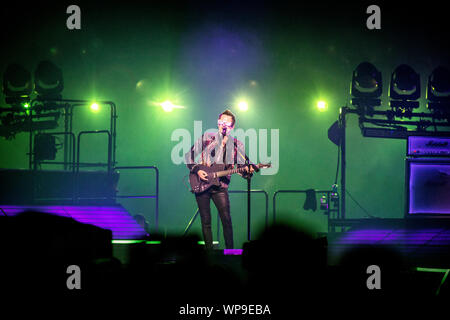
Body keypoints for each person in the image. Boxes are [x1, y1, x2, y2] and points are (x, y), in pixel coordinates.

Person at [185, 109, 255, 249]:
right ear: (217, 123)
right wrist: (198, 170)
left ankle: (230, 252)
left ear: (232, 127)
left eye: (227, 123)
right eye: (221, 122)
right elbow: (189, 156)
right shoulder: (207, 137)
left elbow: (242, 168)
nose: (223, 125)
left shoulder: (236, 145)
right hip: (202, 182)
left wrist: (248, 171)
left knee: (226, 220)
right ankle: (209, 253)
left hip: (221, 186)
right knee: (206, 221)